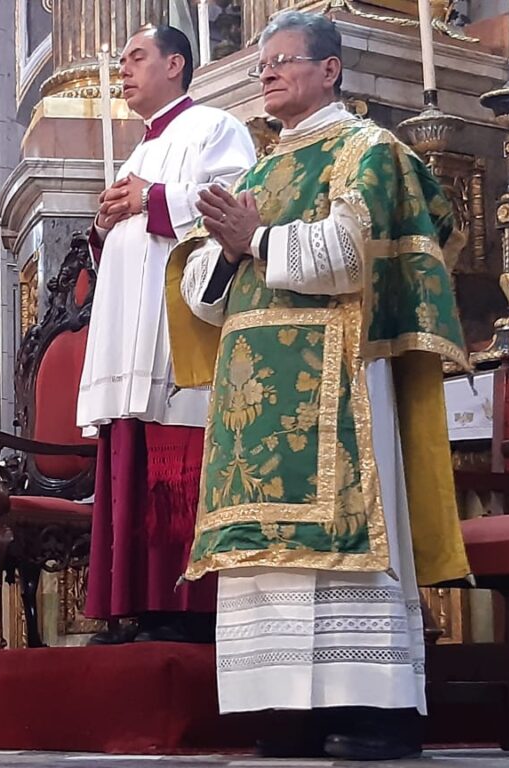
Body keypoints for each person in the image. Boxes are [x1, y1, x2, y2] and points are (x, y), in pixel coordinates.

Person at [173, 11, 469, 760]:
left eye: (283, 61)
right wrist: (227, 250)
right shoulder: (261, 168)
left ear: (330, 70)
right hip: (256, 399)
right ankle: (291, 707)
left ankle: (380, 711)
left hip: (339, 383)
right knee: (271, 560)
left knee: (347, 547)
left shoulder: (368, 150)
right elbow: (206, 299)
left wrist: (256, 240)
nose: (267, 73)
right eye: (261, 64)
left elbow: (349, 256)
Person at [77, 25, 256, 644]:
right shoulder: (135, 151)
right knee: (130, 455)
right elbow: (123, 245)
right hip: (129, 330)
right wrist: (104, 229)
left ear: (176, 64)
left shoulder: (215, 127)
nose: (123, 70)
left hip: (176, 334)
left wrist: (153, 200)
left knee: (174, 462)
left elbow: (234, 200)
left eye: (135, 58)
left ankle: (184, 608)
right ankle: (132, 605)